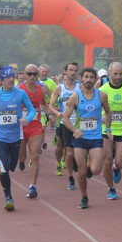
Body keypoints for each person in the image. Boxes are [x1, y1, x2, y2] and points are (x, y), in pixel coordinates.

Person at [0, 66, 36, 211]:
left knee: (11, 166)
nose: (11, 79)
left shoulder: (21, 94)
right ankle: (8, 197)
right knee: (4, 168)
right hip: (0, 137)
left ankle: (0, 161)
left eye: (13, 76)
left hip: (15, 136)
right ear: (1, 79)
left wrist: (27, 119)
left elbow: (32, 110)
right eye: (7, 77)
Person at [60, 67, 112, 209]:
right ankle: (84, 196)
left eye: (91, 77)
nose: (89, 80)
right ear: (81, 78)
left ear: (96, 79)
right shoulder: (75, 97)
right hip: (80, 139)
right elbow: (65, 119)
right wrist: (75, 129)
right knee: (82, 172)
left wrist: (107, 129)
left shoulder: (101, 95)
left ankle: (90, 165)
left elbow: (108, 112)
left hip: (95, 137)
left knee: (95, 170)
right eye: (86, 77)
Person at [99, 62, 122, 200]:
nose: (118, 76)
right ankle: (111, 188)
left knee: (121, 163)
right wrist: (100, 117)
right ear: (109, 73)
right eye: (115, 74)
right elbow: (93, 107)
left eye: (120, 74)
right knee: (107, 161)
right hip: (106, 129)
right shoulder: (102, 90)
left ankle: (117, 168)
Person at [17, 64, 54, 198]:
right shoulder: (18, 89)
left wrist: (49, 113)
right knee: (22, 156)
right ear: (25, 75)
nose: (32, 76)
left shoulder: (41, 89)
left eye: (34, 74)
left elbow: (44, 103)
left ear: (38, 75)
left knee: (35, 155)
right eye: (29, 74)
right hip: (21, 126)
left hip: (35, 126)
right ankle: (21, 161)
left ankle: (32, 186)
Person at [49, 62, 81, 190]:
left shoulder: (81, 86)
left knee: (80, 152)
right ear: (65, 71)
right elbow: (51, 105)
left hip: (80, 123)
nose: (73, 72)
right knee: (69, 152)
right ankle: (71, 178)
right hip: (65, 123)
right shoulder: (59, 88)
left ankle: (78, 166)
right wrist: (57, 113)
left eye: (75, 70)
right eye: (71, 70)